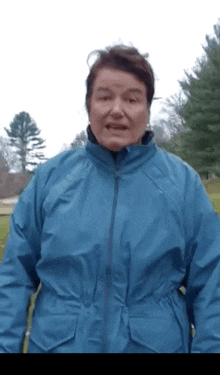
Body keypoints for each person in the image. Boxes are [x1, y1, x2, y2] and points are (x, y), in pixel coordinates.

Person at [0, 44, 220, 353]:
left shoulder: (182, 185)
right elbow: (13, 278)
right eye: (104, 97)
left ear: (147, 109)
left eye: (132, 99)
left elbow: (213, 286)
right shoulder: (51, 180)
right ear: (89, 105)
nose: (117, 109)